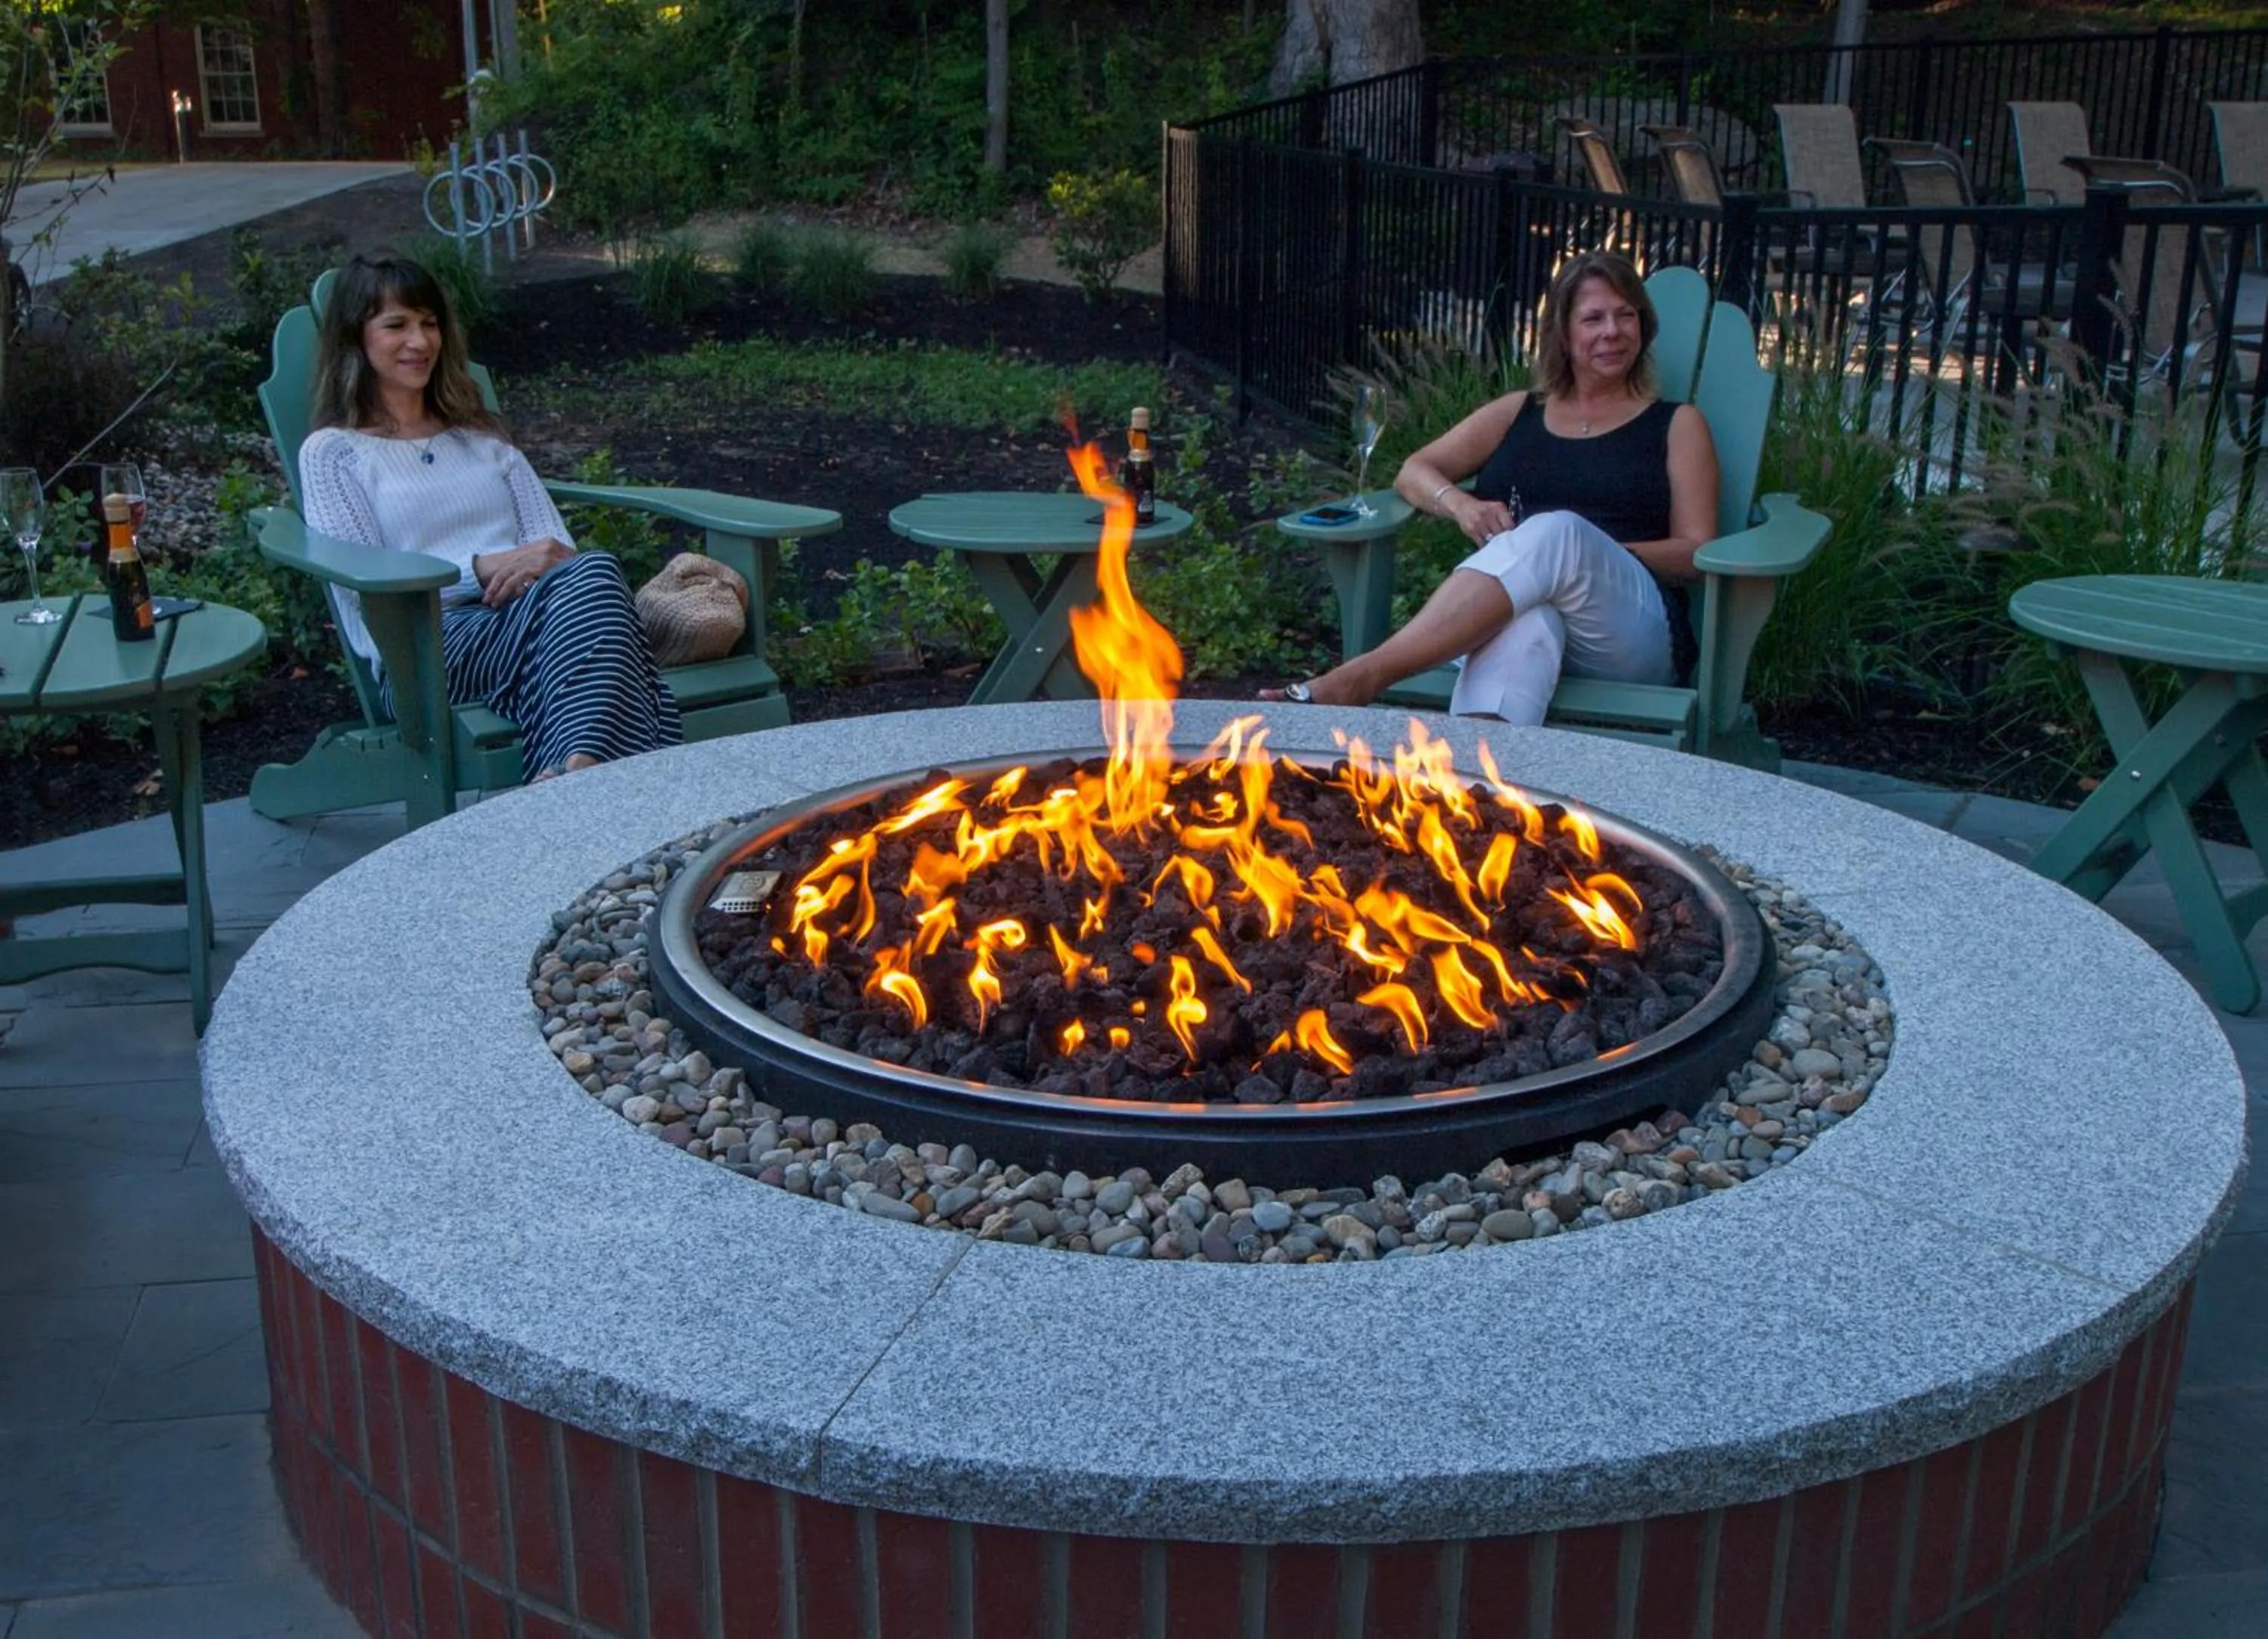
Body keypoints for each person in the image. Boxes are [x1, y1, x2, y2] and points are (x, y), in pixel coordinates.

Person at [1269, 250, 1719, 723]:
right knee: (1528, 620)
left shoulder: (1676, 424)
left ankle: (1364, 675)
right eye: (1593, 319)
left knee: (1558, 533)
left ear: (1643, 327)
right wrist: (1462, 506)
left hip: (1627, 637)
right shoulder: (1520, 411)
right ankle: (1472, 787)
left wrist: (1579, 558)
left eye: (1626, 315)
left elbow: (1696, 552)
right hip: (1514, 617)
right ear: (1563, 334)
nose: (1612, 331)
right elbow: (1415, 470)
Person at [299, 253, 681, 782]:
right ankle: (596, 782)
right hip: (427, 651)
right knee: (597, 597)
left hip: (533, 619)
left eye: (429, 324)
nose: (420, 341)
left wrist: (532, 565)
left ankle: (569, 773)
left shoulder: (479, 438)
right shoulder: (334, 454)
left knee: (592, 571)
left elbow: (553, 550)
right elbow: (365, 591)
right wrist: (481, 569)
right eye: (397, 325)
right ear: (355, 338)